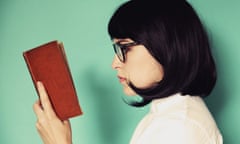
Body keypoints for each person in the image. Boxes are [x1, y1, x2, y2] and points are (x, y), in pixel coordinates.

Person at [33, 0, 223, 143]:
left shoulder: (179, 127)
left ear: (166, 47)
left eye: (124, 48)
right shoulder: (167, 116)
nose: (115, 63)